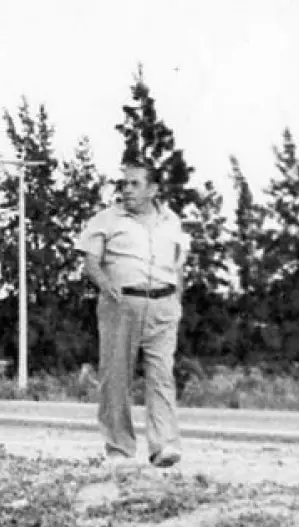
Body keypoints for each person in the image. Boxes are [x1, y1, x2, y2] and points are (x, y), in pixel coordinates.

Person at [77, 159, 189, 470]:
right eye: (123, 183)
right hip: (122, 304)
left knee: (162, 375)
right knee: (116, 377)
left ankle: (164, 445)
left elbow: (178, 266)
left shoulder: (172, 221)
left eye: (134, 184)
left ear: (153, 189)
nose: (126, 189)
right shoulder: (106, 219)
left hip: (163, 306)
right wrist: (105, 284)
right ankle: (120, 449)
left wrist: (176, 301)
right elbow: (90, 261)